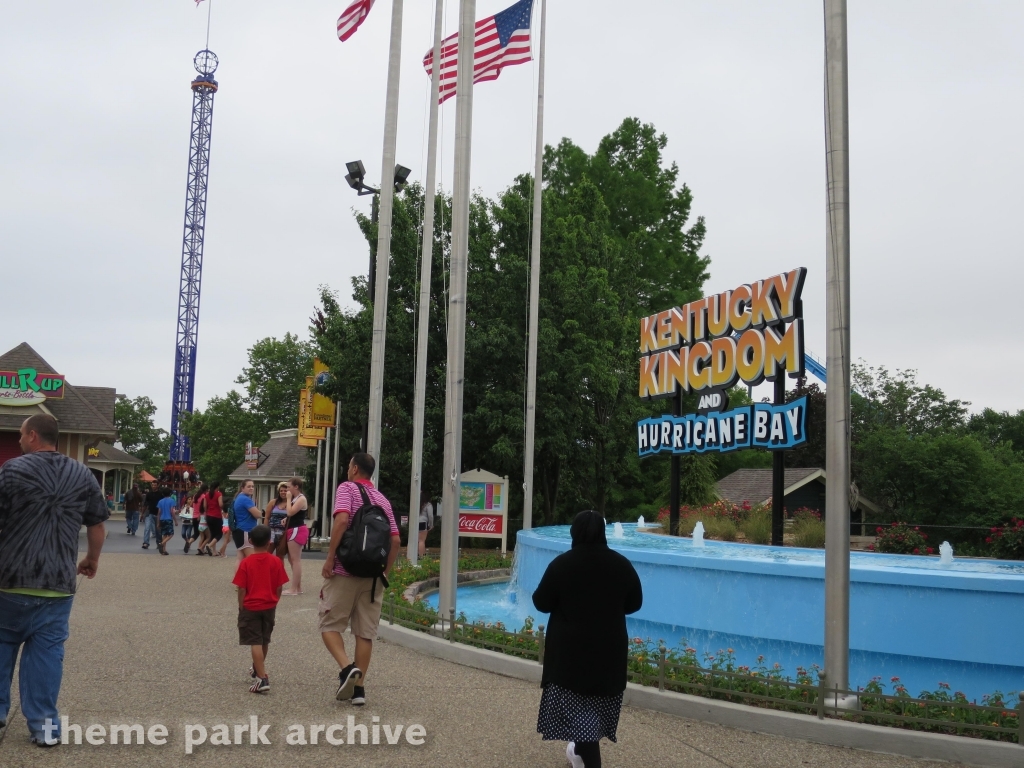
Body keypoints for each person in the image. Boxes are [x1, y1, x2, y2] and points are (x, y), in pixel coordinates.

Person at [0, 414, 108, 746]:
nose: (18, 440)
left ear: (33, 436)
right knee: (47, 655)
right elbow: (97, 525)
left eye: (21, 434)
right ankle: (45, 729)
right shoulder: (83, 474)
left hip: (10, 579)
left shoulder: (11, 471)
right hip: (58, 583)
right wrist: (91, 559)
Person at [532, 510, 643, 768]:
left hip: (570, 660)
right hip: (608, 656)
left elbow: (541, 602)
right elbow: (635, 603)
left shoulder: (562, 564)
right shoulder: (621, 564)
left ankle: (587, 760)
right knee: (590, 716)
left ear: (575, 533)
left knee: (582, 718)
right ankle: (579, 756)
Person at [319, 453, 400, 706]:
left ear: (354, 468)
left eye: (348, 465)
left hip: (345, 571)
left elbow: (342, 520)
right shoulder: (382, 500)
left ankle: (347, 669)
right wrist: (384, 572)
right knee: (365, 633)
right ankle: (359, 691)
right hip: (373, 577)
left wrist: (331, 557)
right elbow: (395, 540)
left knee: (329, 625)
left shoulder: (347, 488)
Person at [231, 524, 288, 694]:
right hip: (269, 605)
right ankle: (258, 669)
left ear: (250, 541)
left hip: (251, 605)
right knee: (264, 639)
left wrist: (241, 606)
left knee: (254, 641)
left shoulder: (246, 563)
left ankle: (262, 678)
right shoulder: (276, 561)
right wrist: (275, 600)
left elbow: (241, 588)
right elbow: (279, 585)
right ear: (270, 541)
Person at [281, 477, 308, 595]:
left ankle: (293, 589)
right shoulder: (296, 499)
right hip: (293, 528)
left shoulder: (301, 498)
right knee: (291, 559)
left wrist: (288, 499)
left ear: (296, 487)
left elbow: (290, 512)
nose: (287, 489)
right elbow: (294, 514)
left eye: (289, 486)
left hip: (297, 529)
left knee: (295, 560)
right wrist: (286, 519)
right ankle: (298, 587)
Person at [232, 480, 261, 561]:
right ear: (242, 488)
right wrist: (262, 512)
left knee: (240, 558)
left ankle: (239, 574)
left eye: (252, 486)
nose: (251, 488)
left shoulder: (238, 498)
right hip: (246, 530)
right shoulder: (246, 499)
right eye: (248, 486)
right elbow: (257, 514)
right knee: (252, 559)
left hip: (239, 530)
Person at [263, 482, 289, 551]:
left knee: (280, 555)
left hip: (283, 533)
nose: (283, 492)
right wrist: (265, 531)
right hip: (272, 531)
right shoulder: (273, 502)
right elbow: (267, 517)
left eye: (285, 491)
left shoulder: (291, 503)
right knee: (267, 552)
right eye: (281, 491)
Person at [190, 484, 209, 555]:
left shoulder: (195, 495)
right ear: (206, 490)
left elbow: (191, 504)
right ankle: (201, 549)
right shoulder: (204, 496)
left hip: (194, 516)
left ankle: (189, 542)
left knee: (196, 533)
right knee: (204, 535)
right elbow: (204, 507)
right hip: (201, 517)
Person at [156, 488, 176, 556]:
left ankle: (164, 550)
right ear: (170, 493)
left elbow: (159, 512)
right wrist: (175, 520)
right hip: (168, 519)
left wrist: (158, 522)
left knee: (164, 534)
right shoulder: (172, 501)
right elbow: (172, 511)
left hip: (162, 519)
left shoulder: (160, 501)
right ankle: (161, 544)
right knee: (171, 534)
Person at [142, 483, 161, 550]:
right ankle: (146, 543)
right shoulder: (149, 494)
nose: (153, 486)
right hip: (149, 513)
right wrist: (142, 514)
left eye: (155, 485)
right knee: (147, 528)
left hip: (158, 514)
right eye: (152, 485)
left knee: (158, 530)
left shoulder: (160, 494)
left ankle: (159, 543)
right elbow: (145, 504)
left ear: (157, 486)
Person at [416, 490, 434, 558]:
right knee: (422, 541)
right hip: (423, 523)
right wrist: (431, 525)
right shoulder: (428, 504)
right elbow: (430, 516)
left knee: (415, 540)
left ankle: (419, 555)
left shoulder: (416, 503)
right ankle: (421, 556)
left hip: (415, 523)